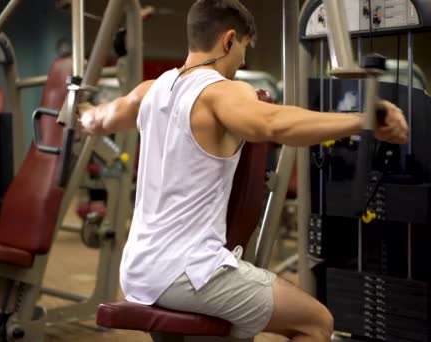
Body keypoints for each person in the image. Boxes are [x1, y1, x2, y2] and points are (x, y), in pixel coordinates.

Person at [78, 1, 407, 341]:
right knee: (316, 322)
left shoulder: (149, 90)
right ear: (229, 40)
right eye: (245, 48)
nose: (244, 61)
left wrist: (80, 108)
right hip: (186, 272)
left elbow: (97, 119)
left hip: (137, 269)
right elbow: (271, 123)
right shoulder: (221, 92)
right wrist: (363, 119)